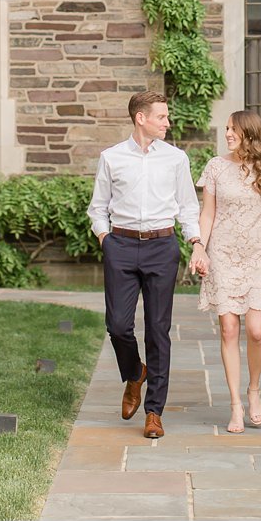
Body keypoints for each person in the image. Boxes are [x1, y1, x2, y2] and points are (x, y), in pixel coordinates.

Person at [87, 90, 207, 439]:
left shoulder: (175, 159)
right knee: (118, 326)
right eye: (162, 117)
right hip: (121, 246)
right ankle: (134, 373)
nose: (167, 123)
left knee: (158, 330)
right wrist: (105, 240)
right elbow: (98, 206)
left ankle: (154, 412)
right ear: (141, 118)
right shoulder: (111, 158)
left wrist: (195, 241)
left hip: (162, 247)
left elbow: (187, 206)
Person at [195, 109, 261, 434]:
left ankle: (254, 390)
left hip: (259, 256)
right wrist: (199, 246)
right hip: (222, 254)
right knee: (228, 329)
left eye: (233, 130)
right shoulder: (216, 168)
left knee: (257, 330)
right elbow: (207, 213)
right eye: (226, 129)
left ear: (250, 133)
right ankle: (236, 404)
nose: (228, 135)